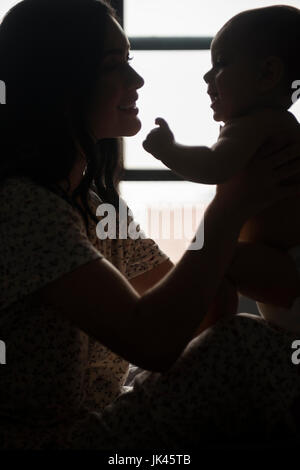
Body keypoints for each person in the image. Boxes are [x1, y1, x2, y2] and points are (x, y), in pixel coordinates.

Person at [0, 0, 300, 450]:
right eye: (114, 65)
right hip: (54, 443)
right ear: (60, 81)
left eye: (131, 61)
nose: (137, 80)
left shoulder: (101, 207)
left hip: (99, 414)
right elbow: (153, 340)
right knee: (243, 346)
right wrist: (230, 209)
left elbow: (184, 313)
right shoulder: (23, 206)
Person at [143, 6, 300, 333]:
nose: (206, 77)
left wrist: (167, 151)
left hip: (288, 268)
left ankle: (205, 342)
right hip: (284, 269)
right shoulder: (279, 126)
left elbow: (213, 166)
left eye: (221, 63)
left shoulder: (256, 123)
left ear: (267, 74)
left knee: (216, 259)